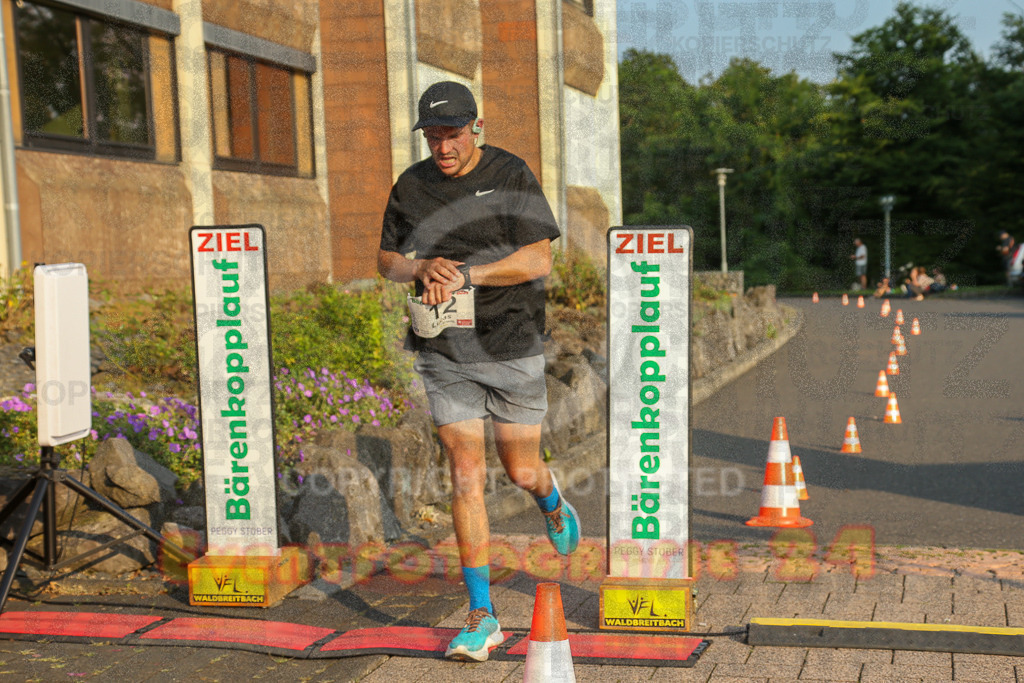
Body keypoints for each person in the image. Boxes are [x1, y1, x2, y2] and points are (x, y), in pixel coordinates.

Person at [376, 81, 578, 663]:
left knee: (520, 470)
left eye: (453, 134)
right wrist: (420, 267)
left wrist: (468, 275)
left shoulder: (510, 174)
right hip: (443, 349)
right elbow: (386, 260)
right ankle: (481, 615)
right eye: (433, 136)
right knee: (464, 474)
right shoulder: (411, 185)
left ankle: (550, 499)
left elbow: (538, 258)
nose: (443, 147)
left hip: (511, 344)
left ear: (476, 127)